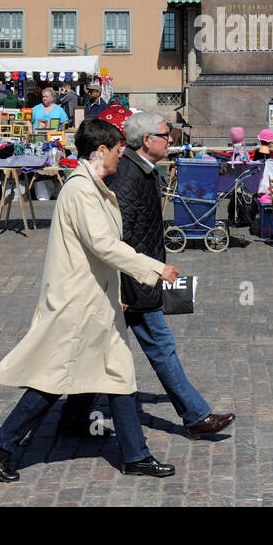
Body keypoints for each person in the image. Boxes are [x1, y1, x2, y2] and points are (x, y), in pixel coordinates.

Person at [0, 118, 182, 483]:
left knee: (118, 374)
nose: (123, 153)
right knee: (54, 377)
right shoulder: (81, 190)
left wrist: (119, 291)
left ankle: (135, 455)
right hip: (79, 301)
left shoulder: (93, 185)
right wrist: (154, 269)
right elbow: (104, 245)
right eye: (118, 148)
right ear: (100, 150)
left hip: (97, 298)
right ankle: (3, 443)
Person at [59, 111, 235, 440]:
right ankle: (195, 416)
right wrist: (126, 288)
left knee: (94, 350)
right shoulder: (127, 175)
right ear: (147, 141)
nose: (171, 139)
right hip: (133, 282)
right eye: (166, 135)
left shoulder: (145, 171)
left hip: (140, 279)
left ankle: (71, 417)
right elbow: (115, 237)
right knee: (160, 346)